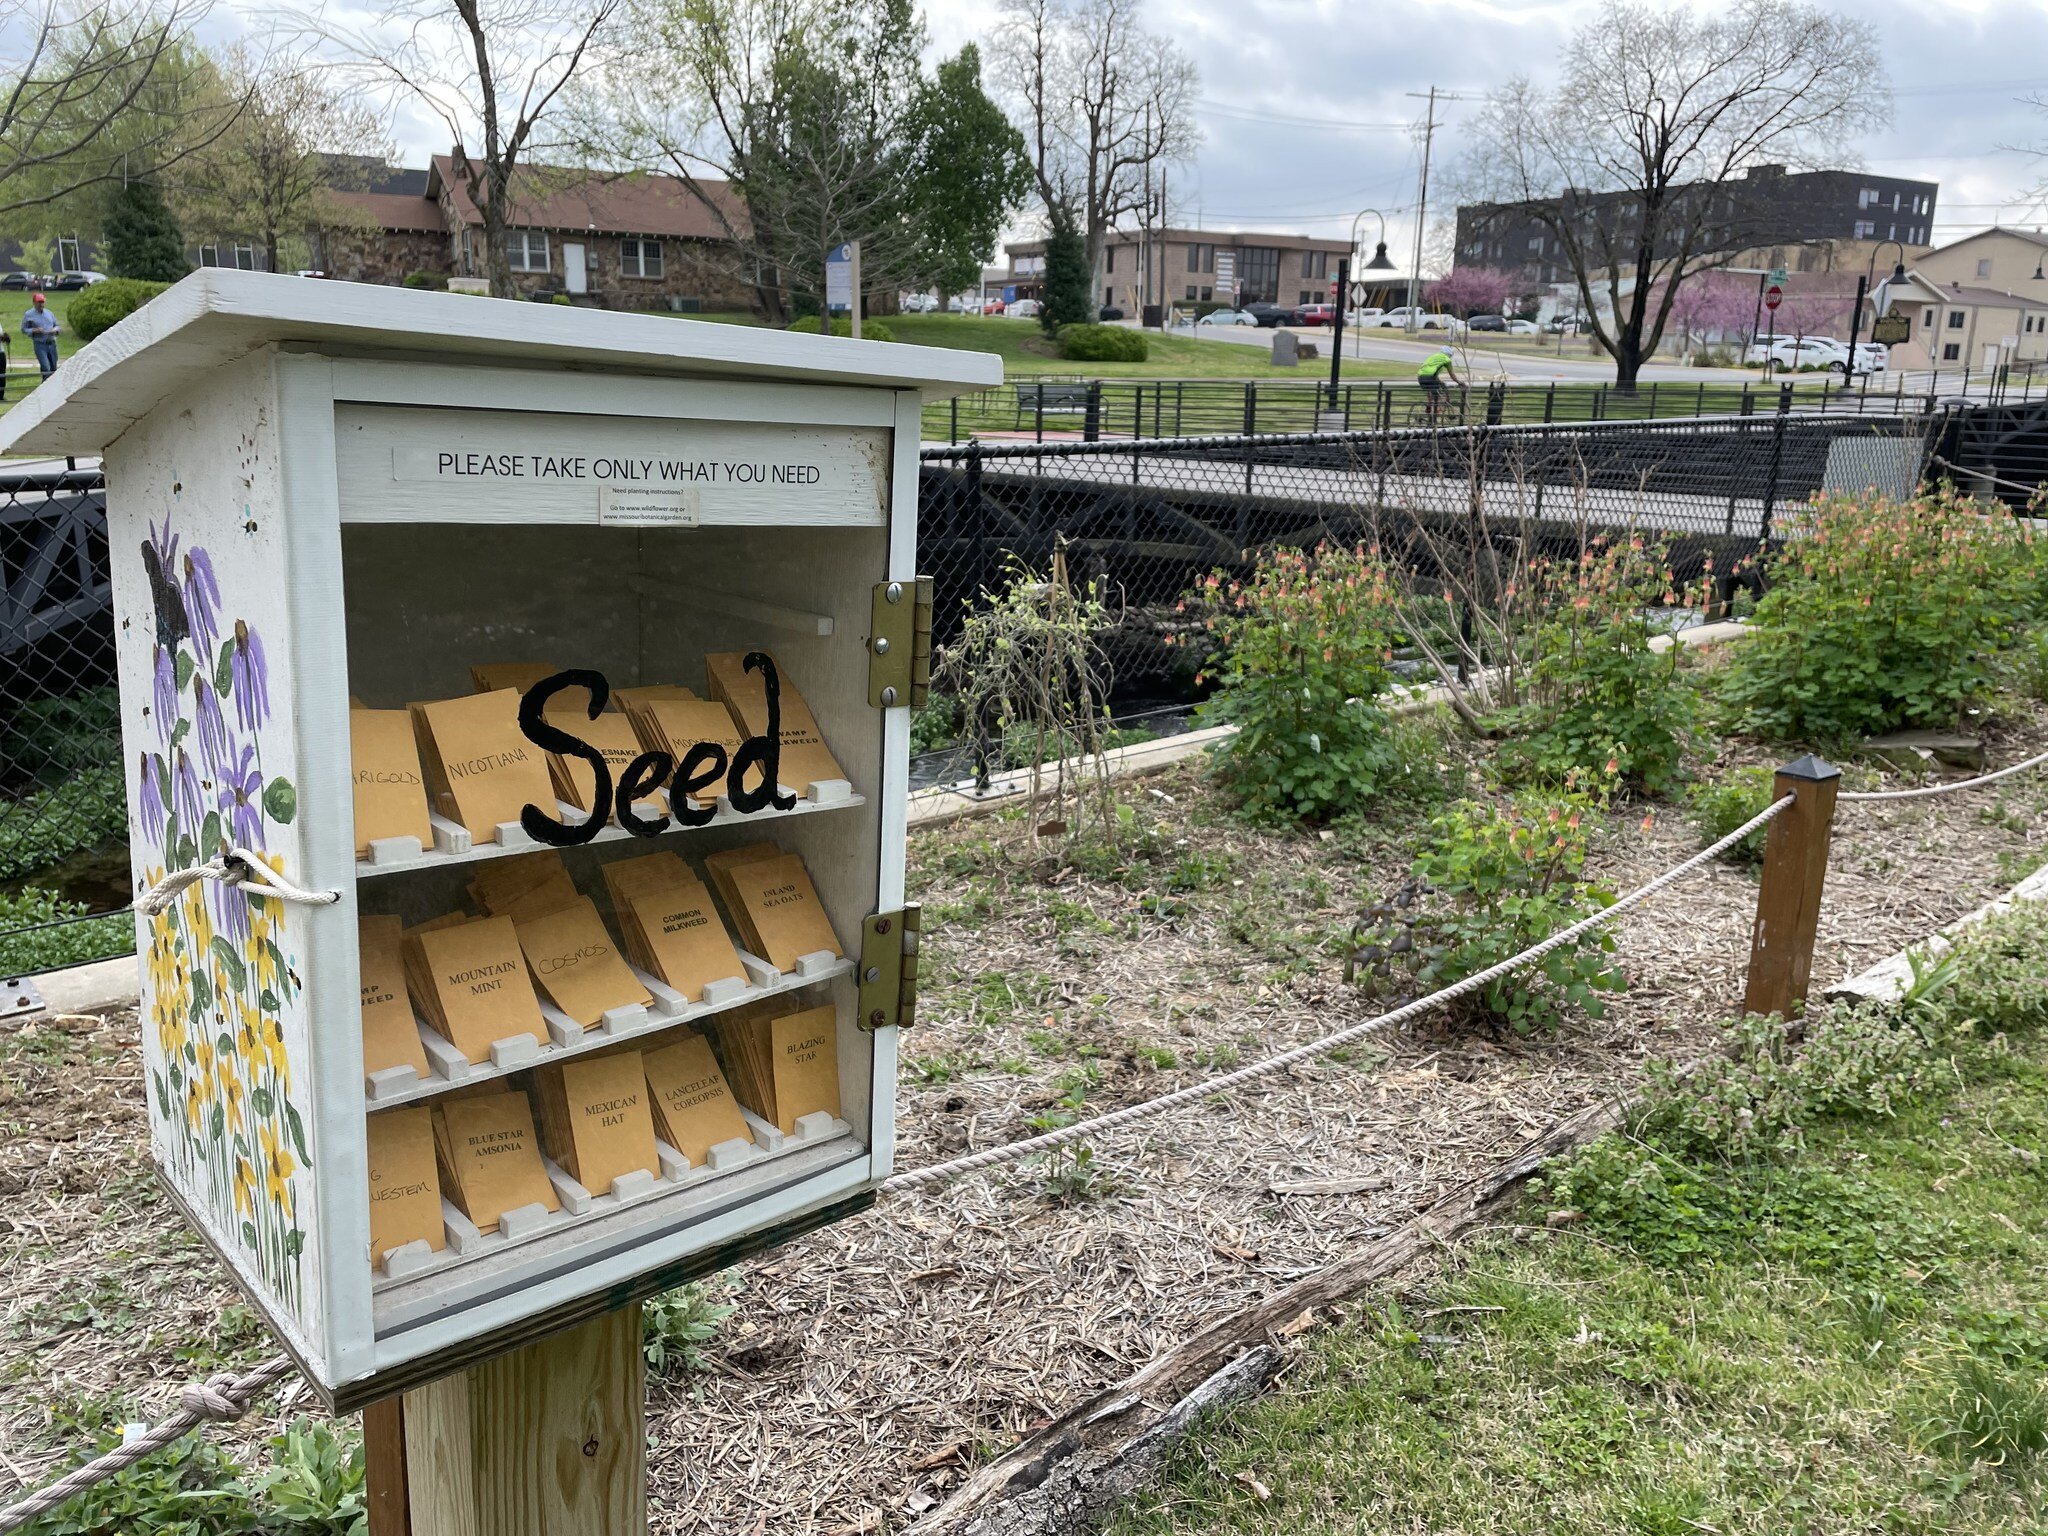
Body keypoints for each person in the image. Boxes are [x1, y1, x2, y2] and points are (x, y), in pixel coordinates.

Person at [1417, 345, 1462, 419]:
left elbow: (1431, 371)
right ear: (1449, 355)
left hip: (1420, 377)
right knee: (1439, 394)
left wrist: (1440, 381)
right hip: (1430, 378)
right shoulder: (1447, 360)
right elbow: (1452, 376)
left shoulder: (1434, 356)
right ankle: (1434, 414)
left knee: (1433, 391)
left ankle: (1429, 407)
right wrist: (1459, 382)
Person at [22, 292, 59, 381]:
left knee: (54, 368)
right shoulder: (28, 314)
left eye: (42, 302)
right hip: (40, 345)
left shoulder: (49, 313)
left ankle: (53, 388)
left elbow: (57, 325)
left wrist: (55, 330)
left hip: (52, 344)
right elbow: (24, 329)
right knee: (46, 367)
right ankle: (45, 389)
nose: (41, 304)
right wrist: (34, 330)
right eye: (39, 302)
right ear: (34, 302)